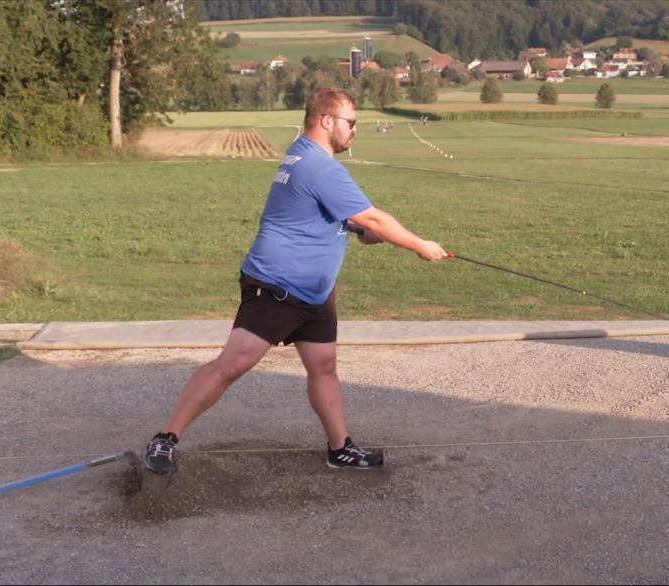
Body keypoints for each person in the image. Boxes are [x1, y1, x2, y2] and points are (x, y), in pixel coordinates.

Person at [143, 87, 448, 474]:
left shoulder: (301, 152)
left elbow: (309, 210)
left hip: (314, 291)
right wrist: (420, 245)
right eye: (350, 122)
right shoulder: (320, 166)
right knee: (231, 365)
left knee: (323, 366)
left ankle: (340, 449)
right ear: (326, 121)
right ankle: (165, 439)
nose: (354, 130)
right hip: (277, 286)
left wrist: (352, 227)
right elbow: (376, 219)